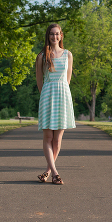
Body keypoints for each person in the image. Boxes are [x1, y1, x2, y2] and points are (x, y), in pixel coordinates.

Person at [35, 23, 75, 185]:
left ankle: (47, 171)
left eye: (57, 34)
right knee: (48, 136)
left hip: (63, 96)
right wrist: (45, 95)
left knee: (58, 140)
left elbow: (68, 79)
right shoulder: (42, 56)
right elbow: (39, 80)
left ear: (61, 35)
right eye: (51, 34)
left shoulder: (68, 55)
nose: (54, 37)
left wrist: (62, 93)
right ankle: (55, 173)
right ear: (48, 36)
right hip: (47, 95)